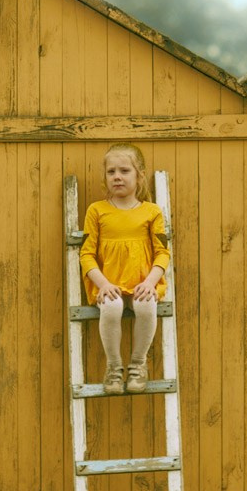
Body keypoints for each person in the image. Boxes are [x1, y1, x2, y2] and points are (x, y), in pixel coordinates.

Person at [80, 144, 171, 395]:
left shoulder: (151, 212)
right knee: (111, 306)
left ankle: (138, 365)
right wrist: (103, 284)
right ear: (105, 177)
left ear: (139, 175)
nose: (117, 177)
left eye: (124, 171)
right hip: (108, 284)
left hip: (142, 283)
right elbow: (86, 254)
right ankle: (114, 367)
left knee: (146, 305)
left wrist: (150, 282)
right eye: (111, 172)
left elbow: (162, 253)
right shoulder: (97, 210)